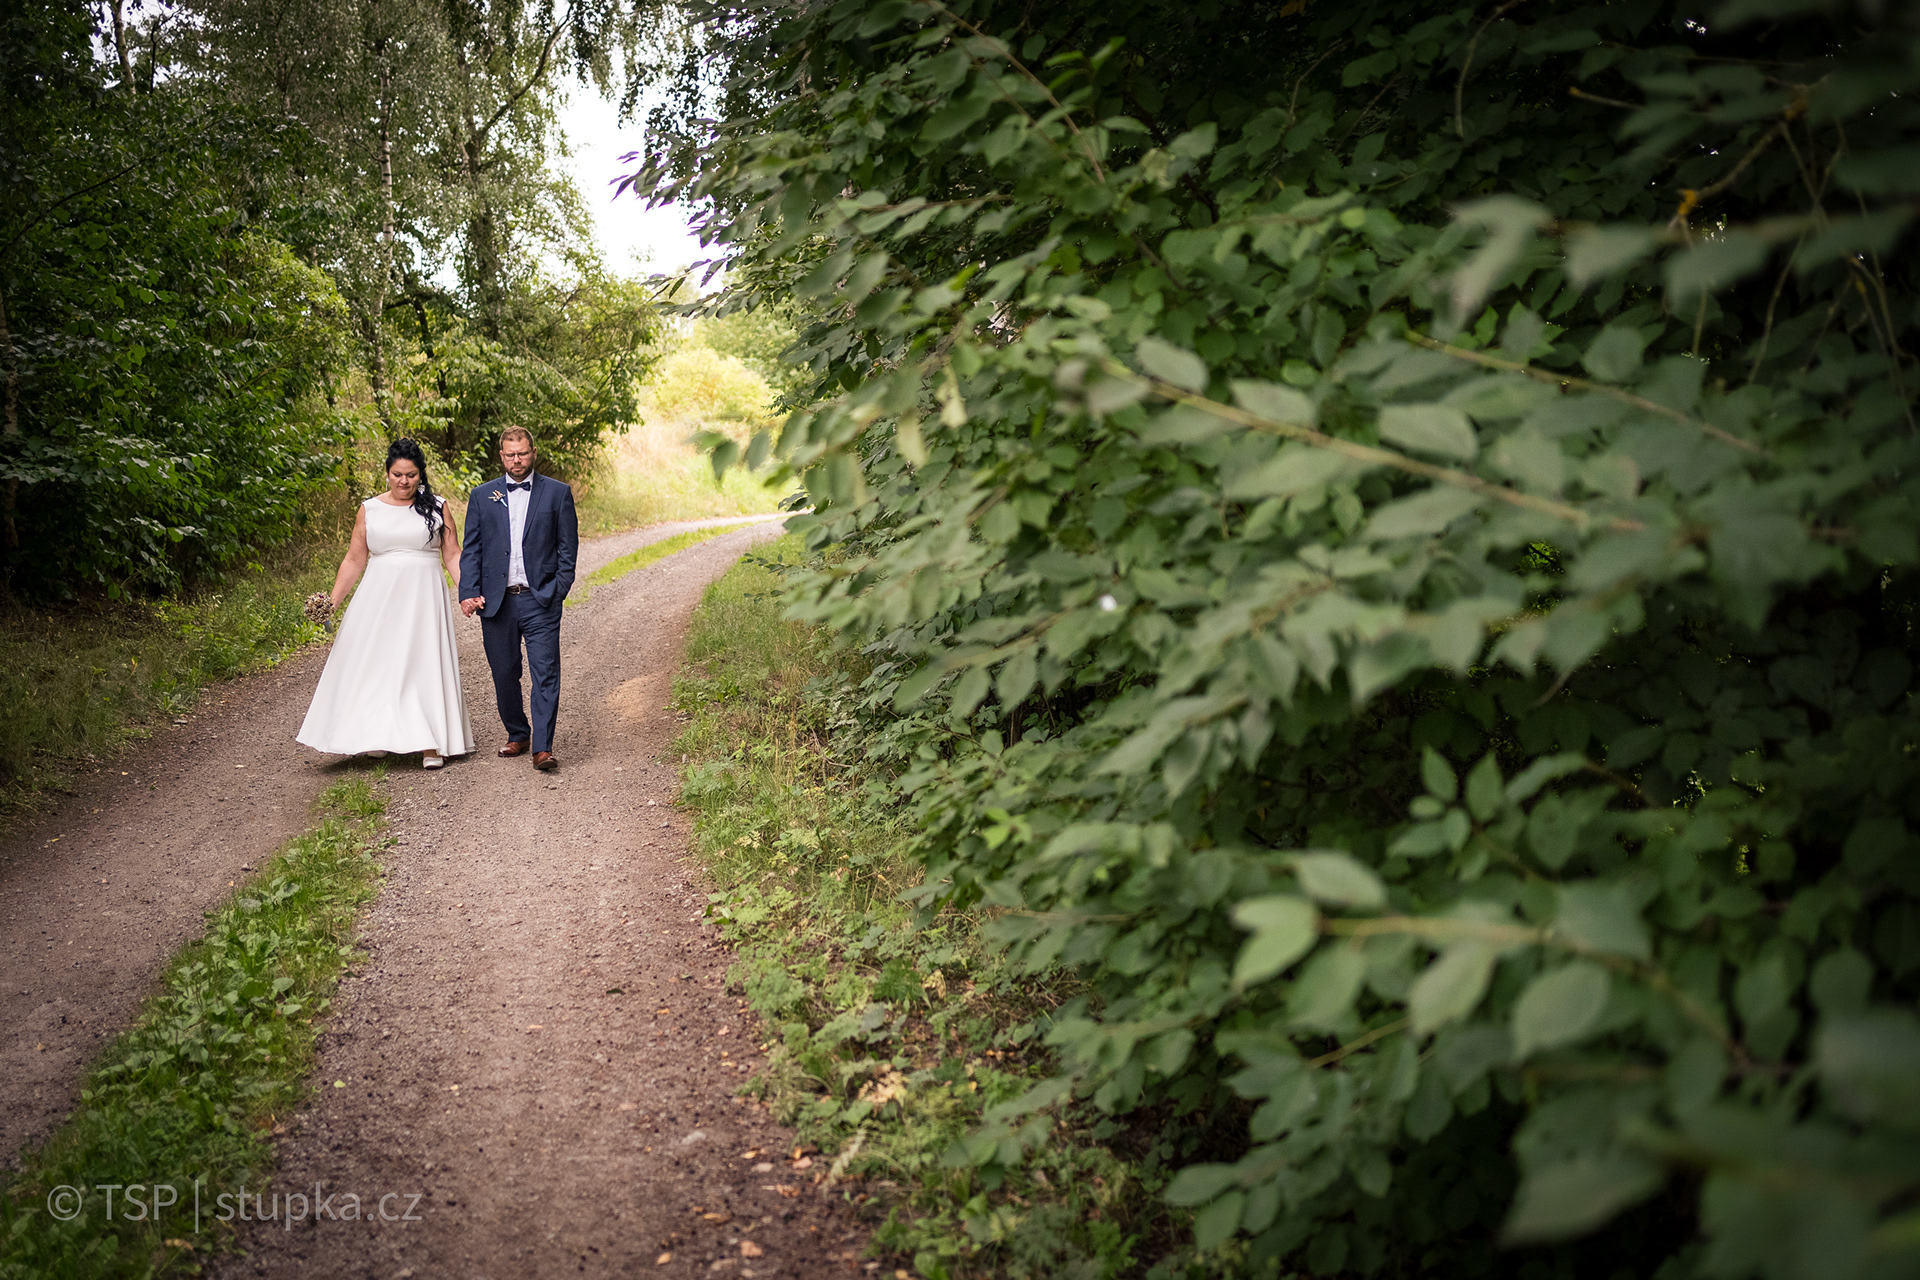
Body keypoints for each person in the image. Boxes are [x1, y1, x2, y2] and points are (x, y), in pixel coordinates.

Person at [298, 439, 476, 768]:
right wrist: (332, 602)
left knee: (423, 664)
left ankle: (431, 742)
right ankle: (377, 734)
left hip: (423, 597)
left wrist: (467, 591)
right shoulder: (370, 509)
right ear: (387, 474)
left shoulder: (438, 506)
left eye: (411, 475)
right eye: (397, 475)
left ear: (421, 475)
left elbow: (452, 554)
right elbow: (354, 559)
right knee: (377, 665)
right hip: (377, 598)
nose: (404, 481)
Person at [458, 427, 578, 771]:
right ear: (501, 456)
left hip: (540, 599)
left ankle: (543, 747)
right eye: (510, 455)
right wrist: (469, 592)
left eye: (522, 453)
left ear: (533, 453)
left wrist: (558, 589)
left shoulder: (557, 493)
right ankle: (518, 733)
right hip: (496, 602)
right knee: (504, 672)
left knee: (545, 672)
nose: (517, 460)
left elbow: (568, 547)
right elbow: (472, 550)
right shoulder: (482, 496)